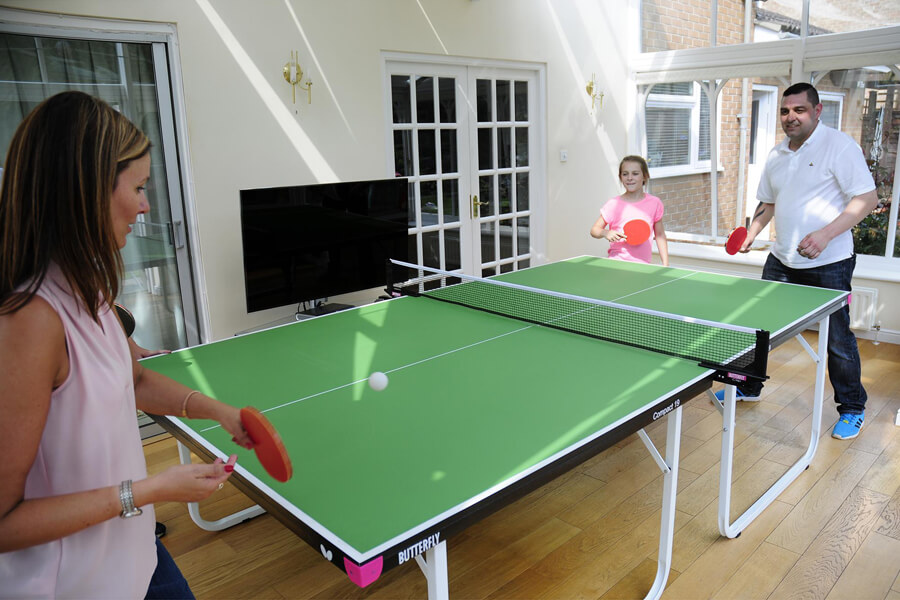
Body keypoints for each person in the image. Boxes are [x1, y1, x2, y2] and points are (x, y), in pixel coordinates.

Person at [0, 91, 255, 598]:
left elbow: (132, 378)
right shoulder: (28, 322)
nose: (146, 203)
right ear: (85, 191)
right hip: (73, 582)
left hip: (135, 548)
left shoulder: (89, 288)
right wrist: (149, 491)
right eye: (137, 186)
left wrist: (218, 411)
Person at [724, 82, 878, 440]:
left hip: (831, 262)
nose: (790, 117)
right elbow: (769, 203)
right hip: (782, 259)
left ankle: (852, 407)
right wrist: (753, 231)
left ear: (817, 110)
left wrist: (825, 235)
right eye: (784, 110)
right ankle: (749, 386)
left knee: (837, 339)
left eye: (799, 110)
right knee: (759, 329)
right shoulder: (777, 154)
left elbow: (867, 199)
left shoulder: (839, 146)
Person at [590, 155, 669, 266]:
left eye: (635, 173)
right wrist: (605, 232)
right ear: (620, 177)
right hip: (617, 262)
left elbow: (660, 235)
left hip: (643, 264)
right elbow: (594, 230)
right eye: (625, 174)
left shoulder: (655, 203)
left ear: (645, 176)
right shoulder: (614, 204)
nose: (629, 178)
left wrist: (665, 263)